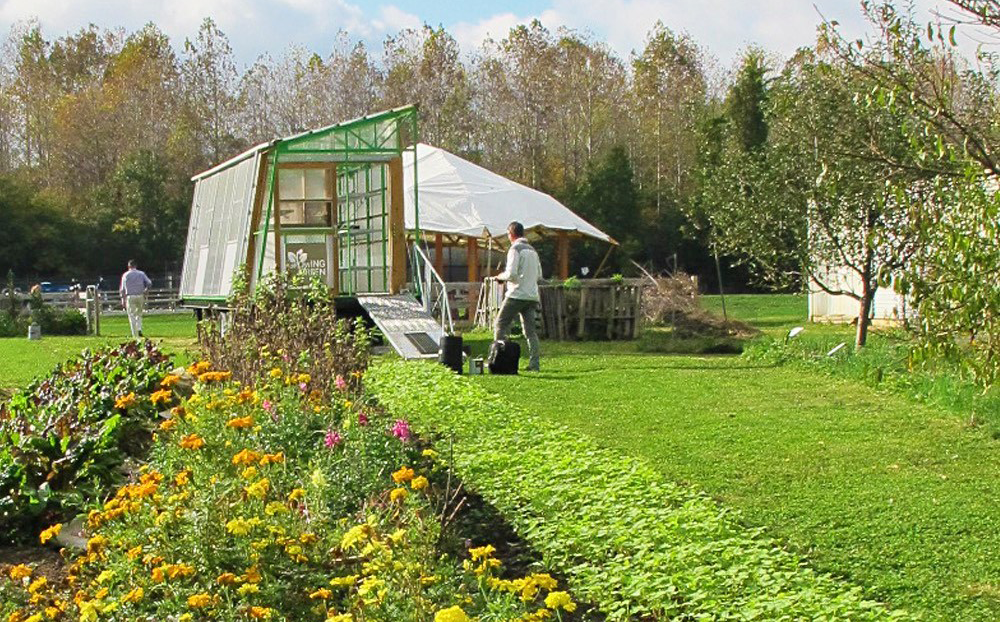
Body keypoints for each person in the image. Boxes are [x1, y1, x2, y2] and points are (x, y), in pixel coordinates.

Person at [494, 221, 543, 371]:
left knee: (500, 324)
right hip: (532, 295)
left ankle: (499, 359)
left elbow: (512, 273)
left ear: (511, 233)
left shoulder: (515, 249)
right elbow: (539, 275)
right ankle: (534, 364)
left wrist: (500, 277)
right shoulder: (533, 250)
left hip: (517, 294)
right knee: (530, 332)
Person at [119, 260, 152, 338]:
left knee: (131, 315)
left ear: (129, 266)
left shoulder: (125, 275)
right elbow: (149, 283)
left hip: (130, 296)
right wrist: (146, 289)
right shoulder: (141, 274)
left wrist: (122, 299)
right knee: (139, 314)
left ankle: (134, 333)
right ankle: (139, 328)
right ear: (136, 266)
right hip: (140, 295)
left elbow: (122, 289)